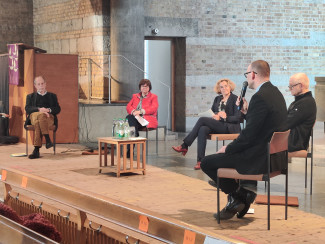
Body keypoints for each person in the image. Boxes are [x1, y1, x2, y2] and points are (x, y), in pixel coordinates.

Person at [201, 60, 287, 220]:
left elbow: (248, 135)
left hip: (258, 157)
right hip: (275, 157)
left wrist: (228, 148)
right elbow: (262, 125)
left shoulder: (260, 97)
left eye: (247, 74)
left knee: (207, 163)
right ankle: (241, 196)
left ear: (253, 74)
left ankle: (239, 196)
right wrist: (247, 112)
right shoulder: (276, 93)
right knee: (219, 159)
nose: (247, 78)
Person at [172, 78, 242, 170]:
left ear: (230, 87)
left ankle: (185, 145)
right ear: (219, 89)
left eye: (226, 86)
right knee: (202, 129)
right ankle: (200, 161)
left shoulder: (236, 99)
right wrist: (215, 116)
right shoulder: (217, 99)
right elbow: (213, 112)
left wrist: (225, 117)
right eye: (221, 87)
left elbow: (239, 118)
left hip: (229, 127)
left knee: (202, 120)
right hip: (218, 124)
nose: (224, 88)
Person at [25, 76, 61, 159]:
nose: (41, 85)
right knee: (41, 115)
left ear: (45, 84)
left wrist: (48, 110)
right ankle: (47, 139)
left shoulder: (52, 96)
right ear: (35, 85)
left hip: (48, 118)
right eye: (38, 84)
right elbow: (27, 109)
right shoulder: (30, 96)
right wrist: (39, 109)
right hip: (34, 116)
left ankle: (36, 150)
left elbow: (58, 109)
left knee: (39, 122)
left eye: (42, 83)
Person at [126, 79, 158, 156]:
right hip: (135, 119)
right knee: (130, 118)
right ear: (140, 87)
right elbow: (128, 106)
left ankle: (130, 148)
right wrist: (134, 112)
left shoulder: (153, 97)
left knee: (129, 120)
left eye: (146, 87)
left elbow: (154, 108)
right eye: (142, 86)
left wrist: (140, 112)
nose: (144, 88)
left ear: (149, 88)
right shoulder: (135, 96)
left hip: (146, 120)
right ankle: (134, 136)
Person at [285, 73, 316, 152]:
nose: (290, 89)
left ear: (301, 86)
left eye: (292, 86)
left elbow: (286, 123)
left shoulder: (306, 103)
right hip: (290, 139)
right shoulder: (300, 101)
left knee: (262, 142)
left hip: (295, 143)